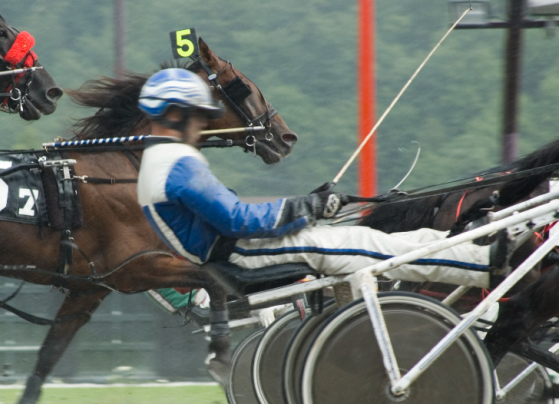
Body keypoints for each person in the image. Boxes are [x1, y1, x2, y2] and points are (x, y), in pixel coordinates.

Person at [136, 68, 510, 381]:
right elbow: (238, 220)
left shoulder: (159, 163)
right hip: (249, 254)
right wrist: (308, 207)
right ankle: (486, 264)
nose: (203, 122)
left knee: (394, 239)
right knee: (374, 247)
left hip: (243, 252)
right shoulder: (179, 165)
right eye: (198, 114)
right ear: (175, 114)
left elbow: (234, 217)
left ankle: (463, 250)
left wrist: (307, 207)